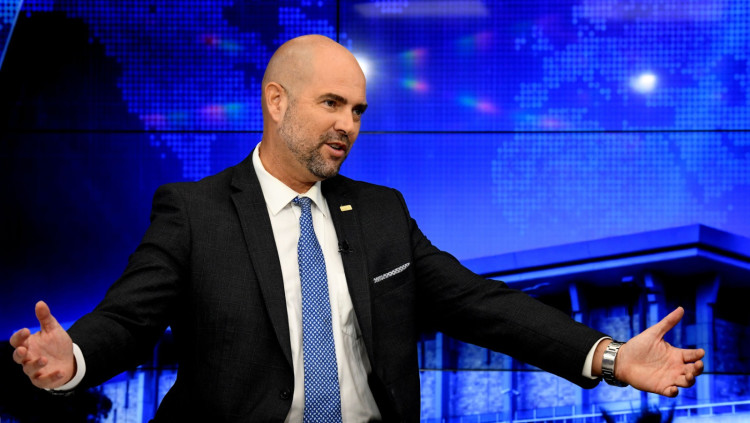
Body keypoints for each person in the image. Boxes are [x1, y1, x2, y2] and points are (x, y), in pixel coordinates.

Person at [10, 34, 704, 422]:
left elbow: (480, 305)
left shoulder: (381, 212)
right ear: (276, 102)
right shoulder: (194, 211)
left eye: (359, 110)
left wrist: (610, 356)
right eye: (332, 104)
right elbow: (130, 319)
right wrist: (74, 357)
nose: (349, 125)